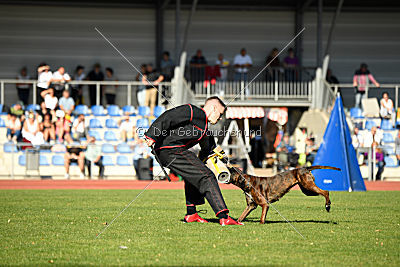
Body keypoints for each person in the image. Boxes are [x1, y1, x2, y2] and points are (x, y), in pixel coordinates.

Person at [144, 96, 243, 225]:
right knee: (207, 176)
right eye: (220, 114)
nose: (220, 118)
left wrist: (223, 159)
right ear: (214, 108)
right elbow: (168, 116)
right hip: (169, 149)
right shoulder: (191, 110)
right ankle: (224, 216)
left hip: (172, 151)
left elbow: (208, 148)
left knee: (194, 176)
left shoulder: (204, 130)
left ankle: (192, 214)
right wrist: (151, 134)